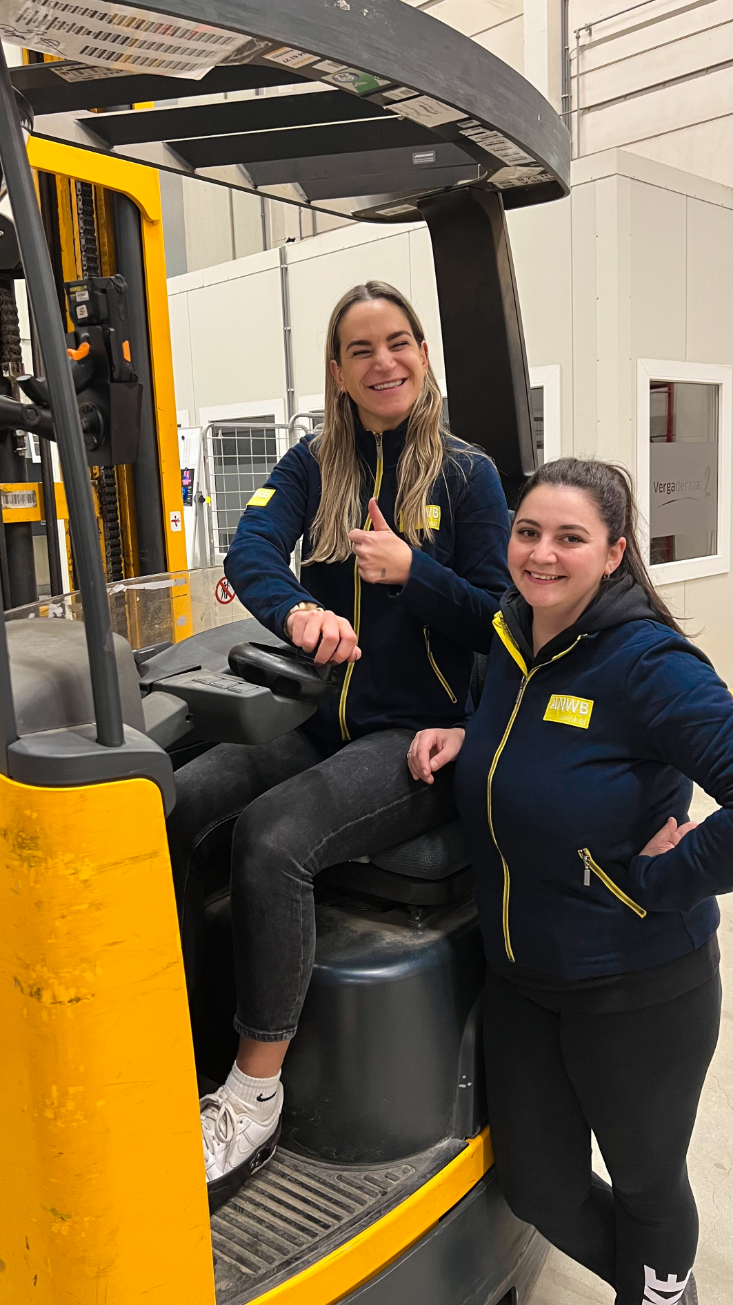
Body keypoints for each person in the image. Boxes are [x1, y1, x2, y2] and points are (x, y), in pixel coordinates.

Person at [168, 279, 511, 1208]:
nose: (384, 362)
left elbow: (502, 621)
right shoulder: (314, 464)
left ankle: (254, 1094)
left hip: (415, 741)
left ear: (424, 355)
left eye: (399, 343)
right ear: (339, 370)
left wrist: (416, 573)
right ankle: (181, 1038)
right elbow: (249, 553)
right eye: (362, 350)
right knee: (175, 801)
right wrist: (303, 609)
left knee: (271, 838)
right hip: (325, 721)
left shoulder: (467, 477)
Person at [407, 457, 733, 1305]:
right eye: (528, 532)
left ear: (613, 552)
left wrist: (658, 882)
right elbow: (538, 732)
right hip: (523, 979)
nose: (542, 553)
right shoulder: (514, 631)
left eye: (570, 537)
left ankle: (657, 1291)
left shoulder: (647, 663)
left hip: (637, 983)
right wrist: (479, 745)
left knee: (648, 1184)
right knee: (540, 1188)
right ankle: (665, 1293)